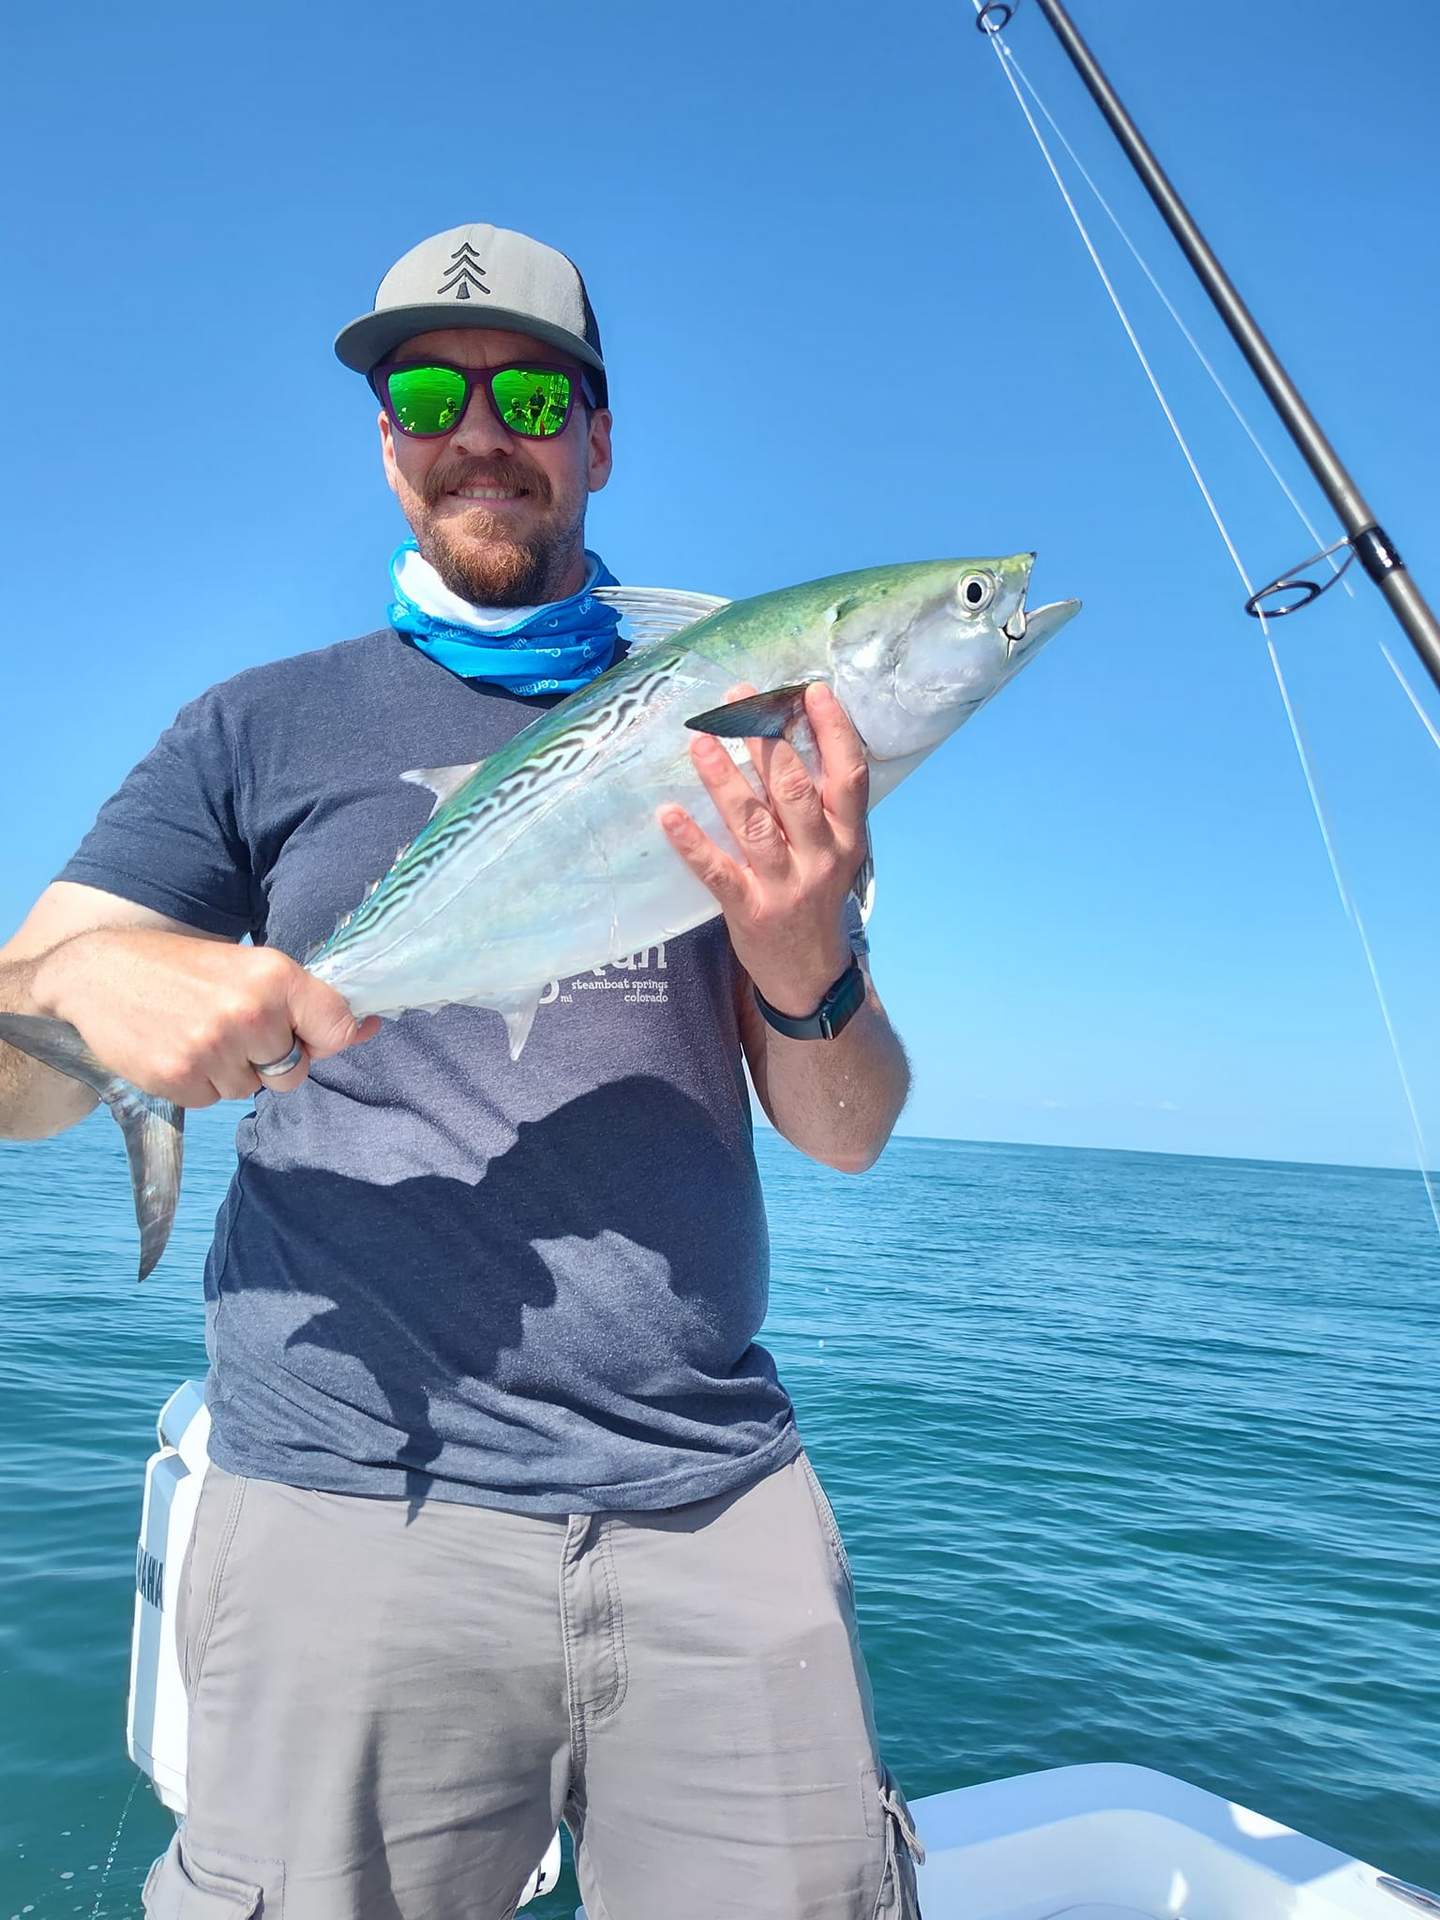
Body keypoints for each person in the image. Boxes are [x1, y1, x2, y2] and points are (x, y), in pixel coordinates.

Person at [0, 222, 922, 1920]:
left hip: (709, 1491)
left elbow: (846, 1133)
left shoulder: (743, 717)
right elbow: (17, 1063)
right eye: (430, 391)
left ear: (599, 434)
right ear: (385, 440)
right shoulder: (253, 726)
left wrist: (807, 964)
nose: (478, 428)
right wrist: (86, 981)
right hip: (351, 1494)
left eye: (529, 393)